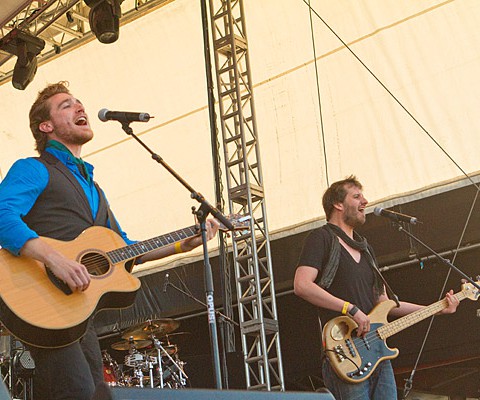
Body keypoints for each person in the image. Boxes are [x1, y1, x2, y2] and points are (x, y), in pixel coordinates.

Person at [0, 81, 220, 400]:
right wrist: (56, 260)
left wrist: (180, 244)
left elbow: (126, 248)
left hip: (77, 312)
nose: (80, 108)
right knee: (76, 391)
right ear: (45, 126)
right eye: (66, 105)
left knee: (98, 393)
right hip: (40, 301)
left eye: (79, 102)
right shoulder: (34, 169)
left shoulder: (94, 189)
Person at [293, 175, 459, 399]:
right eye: (357, 196)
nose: (365, 202)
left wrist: (437, 308)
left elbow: (384, 303)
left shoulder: (366, 249)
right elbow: (302, 285)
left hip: (378, 353)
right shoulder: (321, 238)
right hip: (345, 354)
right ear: (338, 204)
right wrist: (350, 309)